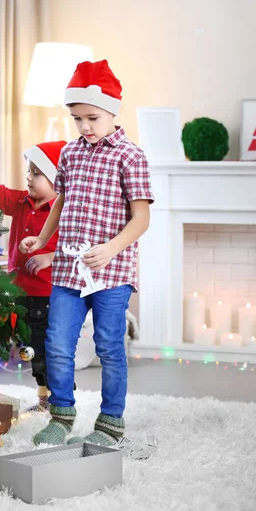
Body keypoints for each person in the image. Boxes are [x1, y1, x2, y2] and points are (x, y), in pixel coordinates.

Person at [19, 59, 155, 446]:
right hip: (68, 270)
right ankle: (61, 415)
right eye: (77, 118)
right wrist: (44, 240)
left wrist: (110, 250)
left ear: (113, 110)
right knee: (57, 343)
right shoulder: (70, 154)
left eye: (92, 117)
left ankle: (111, 421)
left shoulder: (131, 157)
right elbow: (61, 203)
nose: (84, 127)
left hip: (112, 272)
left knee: (109, 346)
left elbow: (141, 218)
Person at [0, 140, 66, 411]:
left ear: (57, 180)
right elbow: (0, 194)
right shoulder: (22, 202)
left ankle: (56, 398)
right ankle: (43, 395)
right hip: (19, 292)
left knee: (45, 349)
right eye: (29, 171)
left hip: (48, 295)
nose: (29, 177)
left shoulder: (61, 213)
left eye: (37, 173)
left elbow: (71, 249)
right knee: (30, 347)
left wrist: (50, 258)